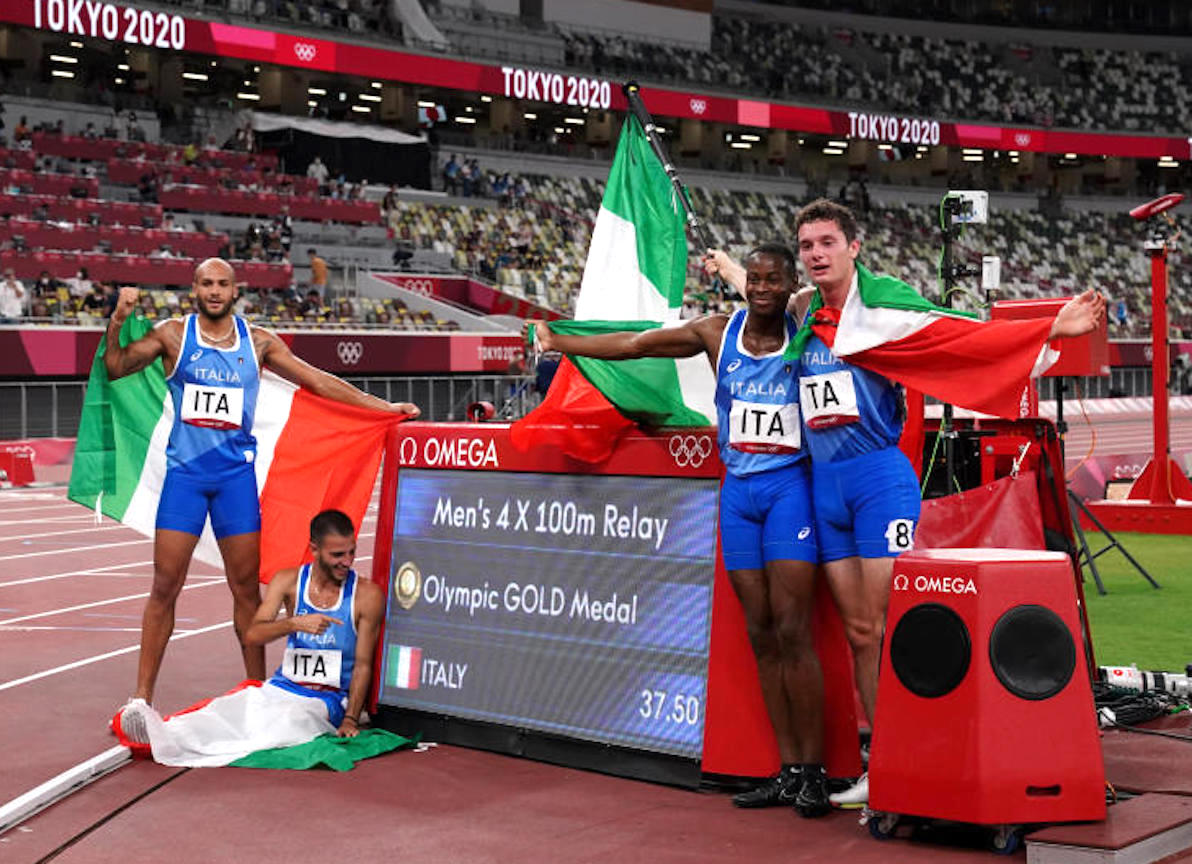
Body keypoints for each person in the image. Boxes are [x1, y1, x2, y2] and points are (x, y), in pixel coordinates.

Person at [711, 199, 1105, 810]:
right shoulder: (803, 309)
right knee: (860, 632)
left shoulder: (884, 312)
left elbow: (956, 333)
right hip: (825, 489)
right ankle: (883, 763)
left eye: (827, 243)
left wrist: (1051, 326)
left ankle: (922, 758)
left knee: (890, 623)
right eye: (807, 245)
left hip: (878, 482)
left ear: (854, 247)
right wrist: (730, 269)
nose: (815, 254)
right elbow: (759, 291)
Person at [533, 244, 830, 818]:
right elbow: (636, 344)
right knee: (762, 634)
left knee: (794, 632)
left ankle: (814, 771)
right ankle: (788, 770)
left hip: (790, 492)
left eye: (773, 280)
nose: (761, 289)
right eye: (754, 280)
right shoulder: (718, 333)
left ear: (789, 284)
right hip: (739, 496)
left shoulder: (805, 327)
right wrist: (560, 341)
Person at [102, 258, 418, 730]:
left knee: (246, 590)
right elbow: (115, 368)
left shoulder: (259, 342)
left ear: (236, 290)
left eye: (222, 284)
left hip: (235, 483)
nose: (214, 291)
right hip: (185, 480)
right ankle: (141, 700)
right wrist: (117, 322)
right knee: (165, 586)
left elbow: (318, 381)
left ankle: (256, 693)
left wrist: (383, 407)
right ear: (194, 289)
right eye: (206, 284)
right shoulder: (174, 336)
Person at [113, 510, 384, 762]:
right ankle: (159, 734)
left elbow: (363, 665)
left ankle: (183, 743)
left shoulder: (366, 596)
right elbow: (253, 635)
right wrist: (294, 623)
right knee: (227, 711)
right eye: (337, 555)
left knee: (284, 725)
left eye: (351, 552)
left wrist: (350, 719)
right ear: (314, 549)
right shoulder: (288, 581)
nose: (347, 562)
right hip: (282, 687)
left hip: (328, 699)